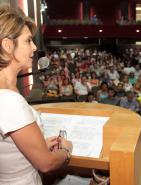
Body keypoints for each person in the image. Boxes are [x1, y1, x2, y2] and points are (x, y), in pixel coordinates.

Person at [0, 6, 73, 185]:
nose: (34, 47)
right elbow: (46, 164)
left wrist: (40, 145)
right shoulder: (9, 101)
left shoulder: (9, 90)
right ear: (8, 46)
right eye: (28, 41)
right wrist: (67, 151)